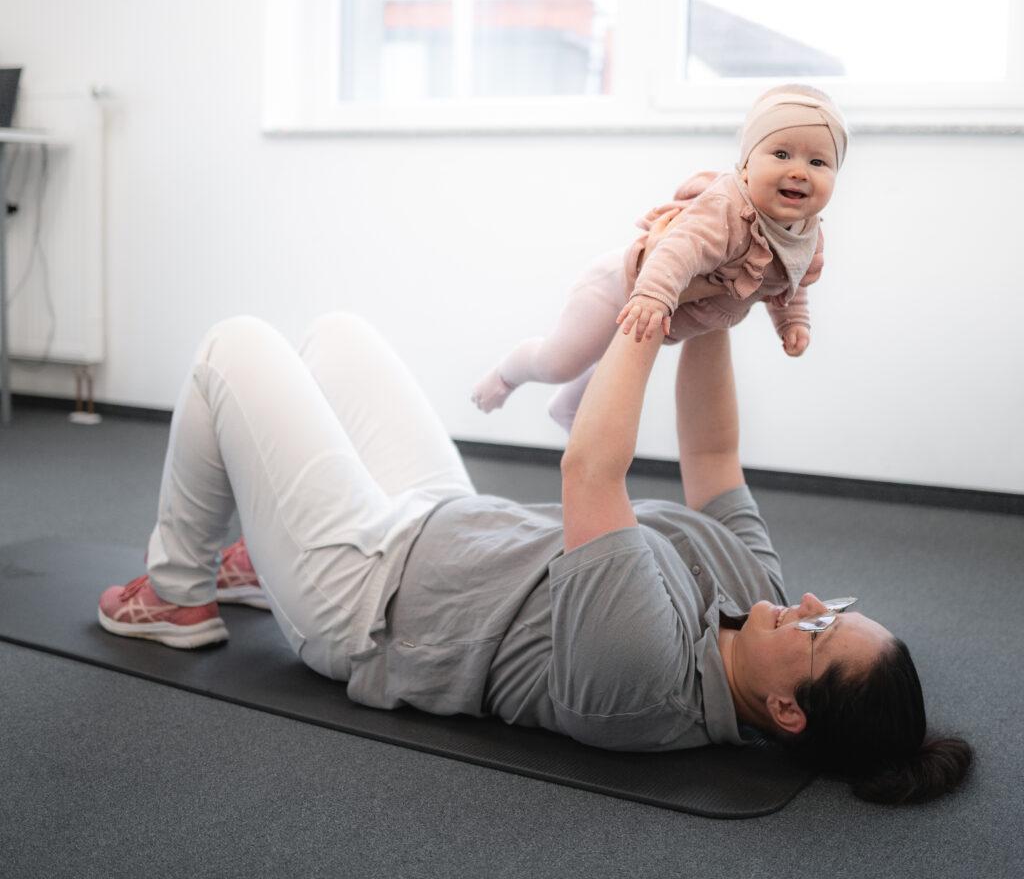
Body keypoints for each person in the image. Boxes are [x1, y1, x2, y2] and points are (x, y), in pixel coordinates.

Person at [97, 301, 970, 804]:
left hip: (366, 596)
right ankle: (263, 551)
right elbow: (711, 457)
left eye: (820, 634)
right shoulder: (760, 598)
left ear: (787, 711)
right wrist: (722, 302)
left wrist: (659, 290)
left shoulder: (645, 676)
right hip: (444, 520)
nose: (814, 606)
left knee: (231, 348)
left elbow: (592, 466)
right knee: (337, 336)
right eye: (839, 610)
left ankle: (176, 593)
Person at [471, 83, 841, 432]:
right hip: (619, 288)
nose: (798, 171)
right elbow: (677, 250)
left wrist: (792, 321)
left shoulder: (807, 233)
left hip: (660, 310)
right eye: (781, 154)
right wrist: (652, 296)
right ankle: (509, 371)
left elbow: (788, 278)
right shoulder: (727, 211)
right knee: (560, 362)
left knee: (606, 356)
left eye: (818, 162)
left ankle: (565, 410)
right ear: (745, 166)